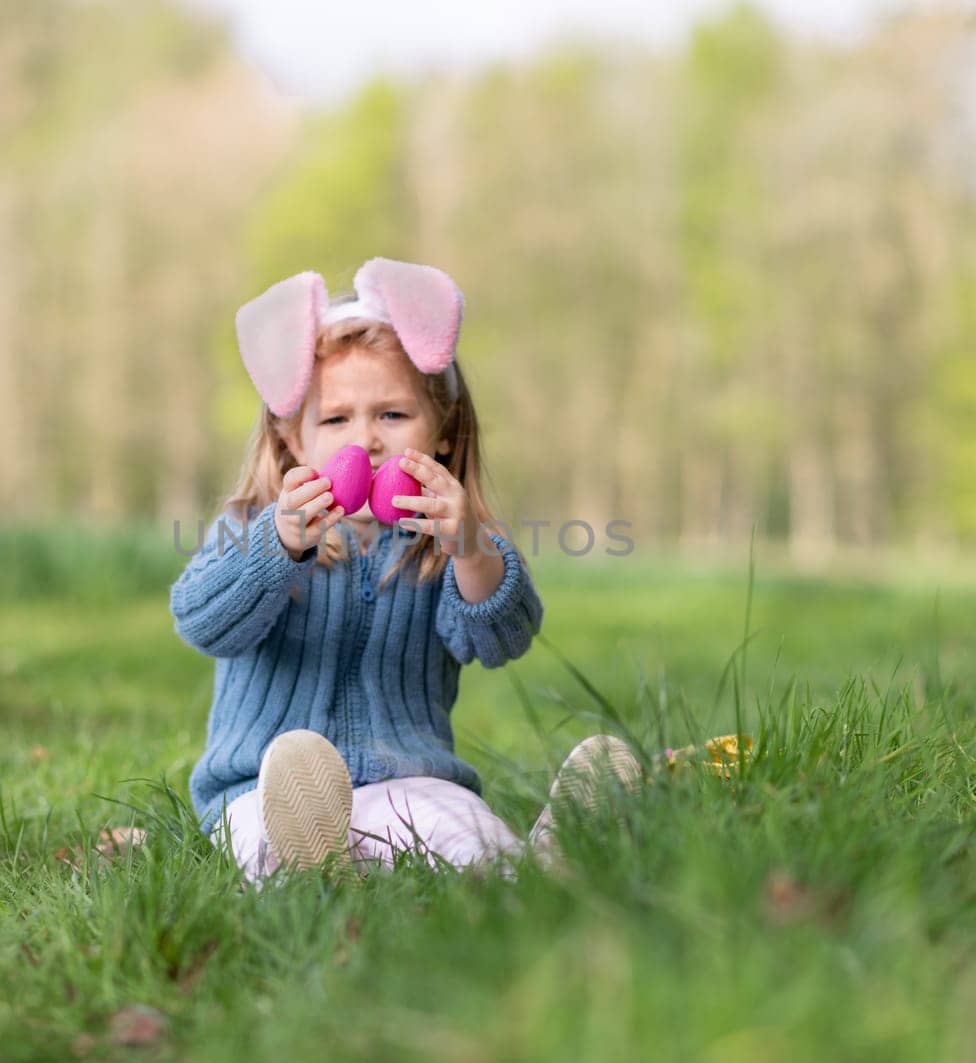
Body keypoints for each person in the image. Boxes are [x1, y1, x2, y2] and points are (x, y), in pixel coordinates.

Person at [169, 257, 640, 881]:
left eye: (392, 415)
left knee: (467, 835)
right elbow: (203, 622)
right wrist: (275, 548)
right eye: (336, 419)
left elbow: (501, 638)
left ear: (442, 431)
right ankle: (316, 870)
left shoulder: (442, 539)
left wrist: (469, 547)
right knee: (268, 838)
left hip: (409, 781)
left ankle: (546, 863)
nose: (365, 439)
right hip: (265, 787)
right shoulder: (254, 526)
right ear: (291, 438)